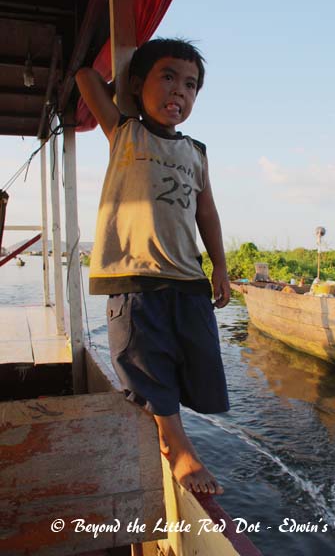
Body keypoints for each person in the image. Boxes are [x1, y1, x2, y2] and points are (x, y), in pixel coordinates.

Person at [76, 38, 230, 496]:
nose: (179, 91)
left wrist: (219, 267)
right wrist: (124, 63)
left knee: (198, 361)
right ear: (138, 83)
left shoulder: (197, 152)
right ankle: (176, 443)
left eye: (190, 85)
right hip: (136, 272)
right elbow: (85, 77)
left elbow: (207, 213)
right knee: (146, 356)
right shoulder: (125, 131)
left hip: (187, 275)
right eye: (167, 77)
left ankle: (162, 417)